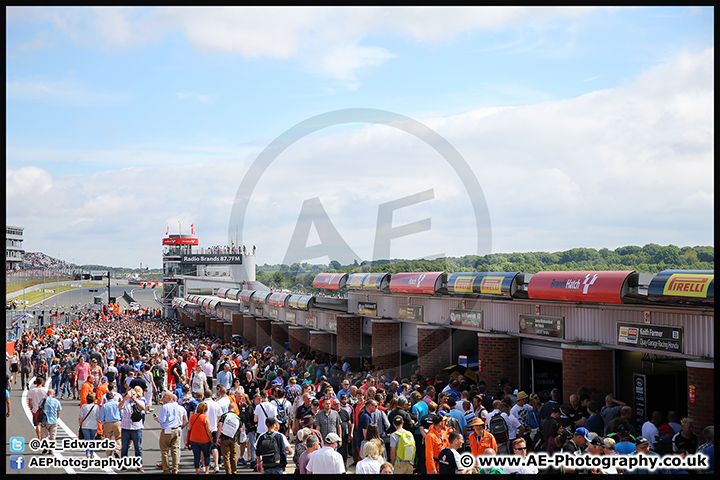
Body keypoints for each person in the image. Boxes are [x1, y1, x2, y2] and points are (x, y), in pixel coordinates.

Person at [155, 391, 187, 474]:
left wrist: (157, 419)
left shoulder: (165, 407)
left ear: (169, 398)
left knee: (164, 450)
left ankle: (166, 469)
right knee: (174, 450)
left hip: (167, 430)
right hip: (175, 429)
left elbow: (162, 420)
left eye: (164, 397)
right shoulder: (177, 406)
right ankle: (175, 468)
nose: (163, 398)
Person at [119, 385, 147, 472]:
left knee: (138, 447)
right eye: (131, 395)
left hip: (136, 428)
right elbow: (119, 407)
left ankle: (139, 465)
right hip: (126, 428)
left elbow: (143, 408)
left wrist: (135, 400)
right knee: (124, 447)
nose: (132, 397)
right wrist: (124, 399)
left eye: (134, 395)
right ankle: (124, 464)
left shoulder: (139, 401)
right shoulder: (126, 402)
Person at [217, 403, 243, 474]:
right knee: (234, 456)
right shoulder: (238, 418)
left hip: (224, 438)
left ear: (228, 408)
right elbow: (240, 430)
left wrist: (218, 437)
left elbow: (219, 426)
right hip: (233, 439)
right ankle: (234, 471)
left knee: (226, 457)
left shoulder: (224, 416)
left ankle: (228, 472)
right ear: (234, 409)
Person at [187, 401, 213, 474]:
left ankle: (197, 472)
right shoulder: (205, 417)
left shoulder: (193, 417)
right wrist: (211, 438)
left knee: (196, 457)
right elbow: (208, 429)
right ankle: (207, 471)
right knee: (207, 456)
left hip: (194, 439)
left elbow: (189, 427)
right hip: (205, 440)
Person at [99, 391, 123, 458]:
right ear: (113, 397)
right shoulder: (117, 404)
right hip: (117, 422)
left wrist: (104, 423)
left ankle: (108, 455)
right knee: (118, 437)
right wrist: (121, 421)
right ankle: (117, 449)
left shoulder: (104, 406)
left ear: (107, 398)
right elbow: (121, 413)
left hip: (108, 423)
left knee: (107, 439)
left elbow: (102, 416)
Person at [78, 391, 100, 458]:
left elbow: (80, 416)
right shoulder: (96, 407)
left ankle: (87, 453)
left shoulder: (84, 406)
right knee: (92, 439)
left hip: (85, 425)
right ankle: (92, 453)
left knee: (87, 440)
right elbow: (98, 417)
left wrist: (80, 424)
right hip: (93, 425)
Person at [41, 389, 62, 453]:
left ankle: (45, 448)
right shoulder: (56, 401)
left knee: (44, 435)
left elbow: (39, 407)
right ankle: (51, 449)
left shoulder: (44, 400)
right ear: (53, 394)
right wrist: (57, 417)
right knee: (52, 435)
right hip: (54, 420)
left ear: (47, 394)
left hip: (45, 420)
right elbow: (59, 410)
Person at [28, 376, 48, 440]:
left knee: (37, 424)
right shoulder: (45, 390)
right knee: (44, 425)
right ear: (42, 382)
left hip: (36, 410)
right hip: (44, 409)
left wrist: (31, 409)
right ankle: (43, 437)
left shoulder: (32, 391)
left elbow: (30, 402)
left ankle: (39, 438)